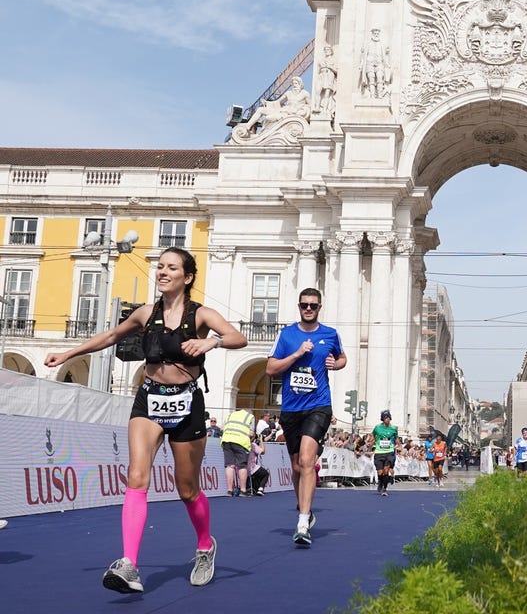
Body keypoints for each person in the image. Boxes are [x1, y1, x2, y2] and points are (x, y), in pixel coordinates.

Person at [44, 247, 247, 594]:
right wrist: (68, 353)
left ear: (188, 276)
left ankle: (204, 545)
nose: (163, 272)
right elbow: (110, 337)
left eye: (171, 268)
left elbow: (237, 337)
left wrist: (209, 342)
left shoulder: (200, 315)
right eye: (160, 267)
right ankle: (129, 565)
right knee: (137, 476)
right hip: (149, 399)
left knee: (187, 489)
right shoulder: (144, 313)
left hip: (186, 403)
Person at [266, 288, 346, 547]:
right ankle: (305, 508)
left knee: (307, 460)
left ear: (319, 307)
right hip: (291, 408)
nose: (308, 309)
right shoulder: (286, 335)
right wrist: (297, 354)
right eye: (304, 305)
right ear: (299, 306)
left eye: (313, 305)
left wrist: (338, 363)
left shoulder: (330, 334)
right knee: (297, 466)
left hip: (319, 405)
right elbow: (270, 369)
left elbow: (342, 357)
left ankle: (302, 523)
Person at [220, 407, 256, 497]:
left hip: (227, 440)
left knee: (229, 465)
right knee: (242, 465)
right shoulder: (250, 416)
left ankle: (229, 490)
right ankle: (243, 490)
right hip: (241, 442)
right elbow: (251, 433)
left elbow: (222, 429)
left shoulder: (230, 415)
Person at [372, 411, 398, 497]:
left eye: (388, 418)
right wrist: (371, 442)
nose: (387, 419)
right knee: (380, 472)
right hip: (379, 452)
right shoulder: (377, 427)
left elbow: (396, 438)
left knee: (386, 471)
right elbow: (373, 435)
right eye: (385, 418)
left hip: (389, 452)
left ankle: (385, 488)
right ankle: (380, 482)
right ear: (383, 419)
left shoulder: (394, 428)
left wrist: (399, 446)